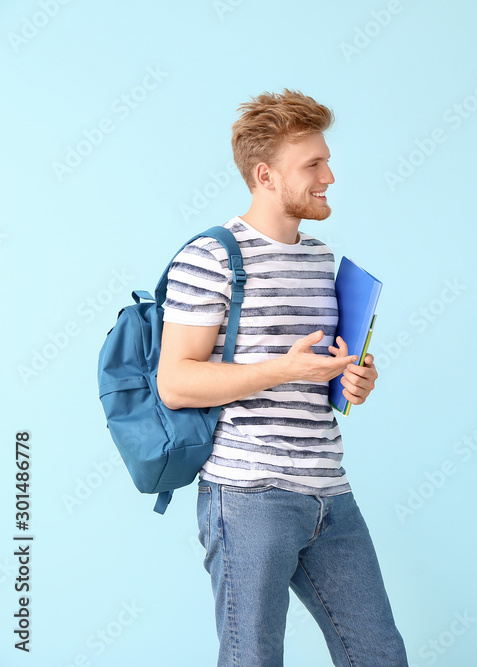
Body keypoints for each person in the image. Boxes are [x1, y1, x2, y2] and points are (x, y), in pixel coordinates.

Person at [156, 89, 408, 667]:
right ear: (266, 176)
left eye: (326, 160)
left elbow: (320, 379)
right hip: (248, 494)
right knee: (254, 658)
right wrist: (287, 368)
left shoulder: (322, 260)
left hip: (329, 490)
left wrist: (354, 380)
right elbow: (176, 381)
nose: (330, 176)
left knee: (379, 656)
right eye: (313, 165)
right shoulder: (211, 257)